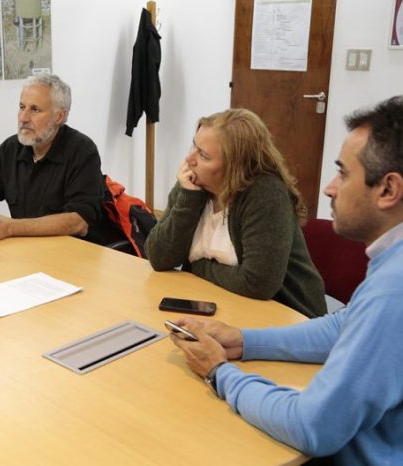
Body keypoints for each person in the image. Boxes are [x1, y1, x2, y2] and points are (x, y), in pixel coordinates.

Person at [170, 96, 403, 465]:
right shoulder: (392, 262)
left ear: (389, 190)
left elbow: (314, 426)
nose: (329, 188)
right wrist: (244, 341)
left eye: (343, 173)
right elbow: (345, 325)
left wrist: (220, 373)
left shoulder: (393, 292)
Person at [145, 109, 326, 318]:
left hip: (286, 316)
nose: (189, 159)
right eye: (194, 145)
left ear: (234, 167)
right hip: (220, 305)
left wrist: (198, 266)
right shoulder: (193, 183)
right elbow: (158, 257)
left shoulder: (266, 193)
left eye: (203, 155)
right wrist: (188, 199)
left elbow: (257, 283)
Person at [0, 74, 105, 242]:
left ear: (59, 116)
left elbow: (78, 221)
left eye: (35, 110)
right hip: (25, 251)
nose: (23, 118)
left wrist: (9, 227)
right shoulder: (10, 148)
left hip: (69, 255)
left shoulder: (82, 150)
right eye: (22, 107)